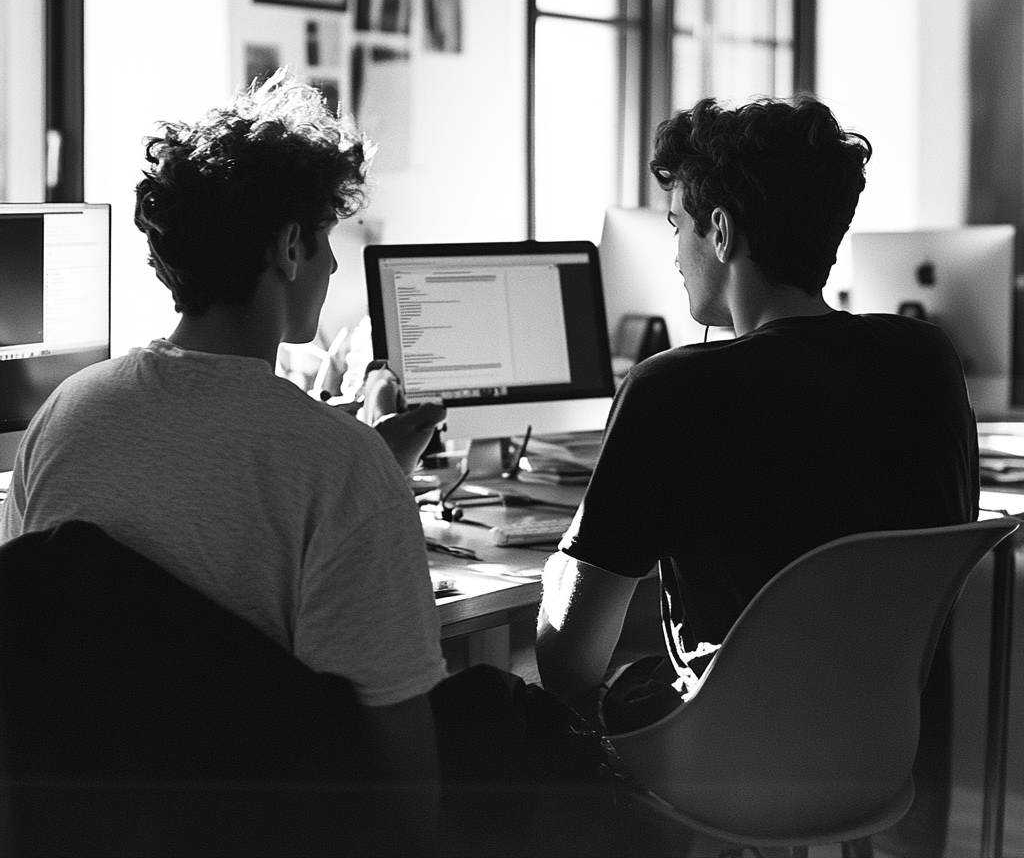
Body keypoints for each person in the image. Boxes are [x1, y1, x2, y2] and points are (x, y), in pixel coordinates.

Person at [0, 72, 449, 836]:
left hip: (88, 831)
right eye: (329, 239)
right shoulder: (338, 467)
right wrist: (371, 485)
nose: (336, 267)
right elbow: (410, 796)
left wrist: (370, 472)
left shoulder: (64, 415)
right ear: (289, 247)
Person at [536, 96, 979, 856]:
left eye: (676, 224)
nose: (673, 253)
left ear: (721, 230)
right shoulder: (927, 362)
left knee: (534, 708)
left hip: (725, 769)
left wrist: (556, 572)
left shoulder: (670, 389)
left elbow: (568, 660)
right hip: (878, 759)